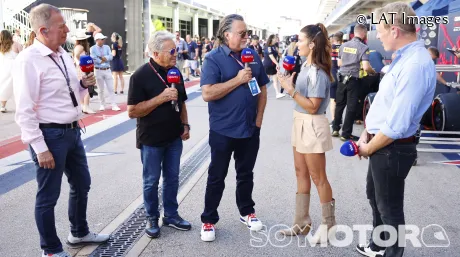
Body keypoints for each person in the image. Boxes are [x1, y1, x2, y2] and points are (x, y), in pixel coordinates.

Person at [13, 4, 110, 257]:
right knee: (48, 196)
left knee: (82, 183)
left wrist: (81, 84)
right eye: (62, 26)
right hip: (49, 136)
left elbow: (69, 95)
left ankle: (79, 232)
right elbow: (24, 110)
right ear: (43, 30)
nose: (68, 30)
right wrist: (40, 147)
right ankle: (51, 249)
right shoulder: (28, 60)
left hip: (72, 131)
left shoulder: (63, 55)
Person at [355, 3, 436, 257]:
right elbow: (385, 105)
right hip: (383, 143)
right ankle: (378, 246)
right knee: (375, 196)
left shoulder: (414, 65)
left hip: (391, 147)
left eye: (380, 30)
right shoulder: (404, 58)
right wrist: (366, 132)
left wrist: (369, 146)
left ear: (394, 30)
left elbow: (398, 124)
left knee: (389, 208)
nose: (377, 35)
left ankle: (391, 253)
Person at [199, 14, 269, 242]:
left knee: (246, 174)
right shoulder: (213, 58)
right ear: (227, 34)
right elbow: (208, 93)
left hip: (249, 128)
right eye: (242, 33)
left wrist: (258, 120)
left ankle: (247, 212)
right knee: (216, 176)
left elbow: (262, 89)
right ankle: (209, 219)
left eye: (247, 32)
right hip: (222, 129)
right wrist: (237, 80)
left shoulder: (254, 56)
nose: (247, 37)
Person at [127, 31, 191, 239]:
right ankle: (152, 217)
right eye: (171, 51)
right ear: (155, 53)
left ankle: (171, 215)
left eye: (176, 50)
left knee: (172, 178)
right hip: (151, 140)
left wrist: (185, 124)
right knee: (151, 181)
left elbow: (181, 102)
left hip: (174, 137)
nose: (176, 54)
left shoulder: (176, 72)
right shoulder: (140, 76)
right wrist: (160, 98)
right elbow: (133, 111)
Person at [277, 23, 336, 244]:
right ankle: (301, 222)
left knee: (318, 177)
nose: (296, 44)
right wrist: (288, 83)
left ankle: (328, 225)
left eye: (300, 40)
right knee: (300, 173)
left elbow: (312, 106)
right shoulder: (304, 67)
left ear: (312, 44)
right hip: (299, 121)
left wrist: (290, 89)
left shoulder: (318, 72)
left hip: (312, 123)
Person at [332, 24, 375, 141]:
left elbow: (339, 64)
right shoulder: (363, 47)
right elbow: (366, 67)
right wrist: (372, 72)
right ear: (364, 33)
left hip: (341, 78)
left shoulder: (343, 45)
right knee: (351, 107)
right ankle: (345, 134)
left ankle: (335, 128)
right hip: (353, 80)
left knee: (340, 104)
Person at [90, 33, 121, 111]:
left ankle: (114, 104)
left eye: (103, 39)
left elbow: (110, 56)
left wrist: (102, 58)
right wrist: (103, 59)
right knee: (100, 89)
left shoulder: (107, 47)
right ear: (97, 40)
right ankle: (102, 104)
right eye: (102, 39)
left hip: (107, 69)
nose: (103, 40)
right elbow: (94, 58)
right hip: (98, 70)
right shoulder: (92, 48)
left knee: (111, 88)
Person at [73, 30, 96, 114]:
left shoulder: (78, 47)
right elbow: (76, 56)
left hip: (81, 68)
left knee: (83, 87)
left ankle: (83, 106)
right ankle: (85, 106)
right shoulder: (80, 47)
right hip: (83, 69)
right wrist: (79, 63)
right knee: (86, 87)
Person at [0, 30, 22, 113]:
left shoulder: (1, 46)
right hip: (15, 67)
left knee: (4, 86)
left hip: (4, 67)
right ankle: (19, 106)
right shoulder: (16, 44)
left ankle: (3, 106)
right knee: (17, 87)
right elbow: (22, 55)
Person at [264, 34, 285, 98]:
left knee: (275, 79)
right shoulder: (268, 47)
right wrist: (277, 63)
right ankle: (260, 93)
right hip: (268, 65)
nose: (276, 39)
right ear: (272, 39)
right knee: (265, 80)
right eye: (275, 38)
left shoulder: (274, 46)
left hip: (273, 65)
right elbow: (271, 56)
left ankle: (277, 93)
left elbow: (278, 54)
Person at [330, 32, 343, 124]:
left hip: (332, 75)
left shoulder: (329, 49)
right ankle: (339, 119)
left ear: (334, 40)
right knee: (340, 100)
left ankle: (334, 120)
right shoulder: (344, 48)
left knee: (332, 100)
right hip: (342, 76)